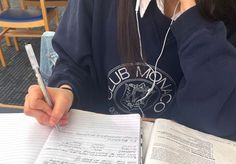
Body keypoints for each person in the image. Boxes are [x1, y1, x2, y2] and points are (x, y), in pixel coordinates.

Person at [24, 0, 236, 137]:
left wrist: (193, 22)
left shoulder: (225, 12)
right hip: (104, 146)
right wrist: (66, 90)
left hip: (178, 154)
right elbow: (73, 62)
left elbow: (218, 116)